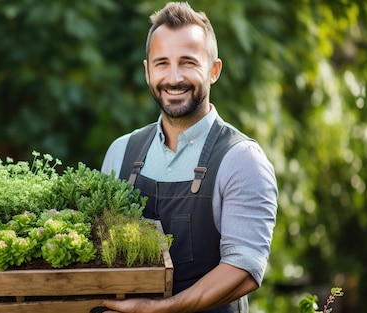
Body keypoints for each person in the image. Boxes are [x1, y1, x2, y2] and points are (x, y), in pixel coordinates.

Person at [99, 2, 278, 313]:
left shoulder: (241, 159)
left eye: (188, 62)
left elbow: (244, 270)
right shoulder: (121, 152)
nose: (173, 77)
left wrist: (161, 309)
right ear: (147, 71)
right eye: (162, 63)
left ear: (214, 70)